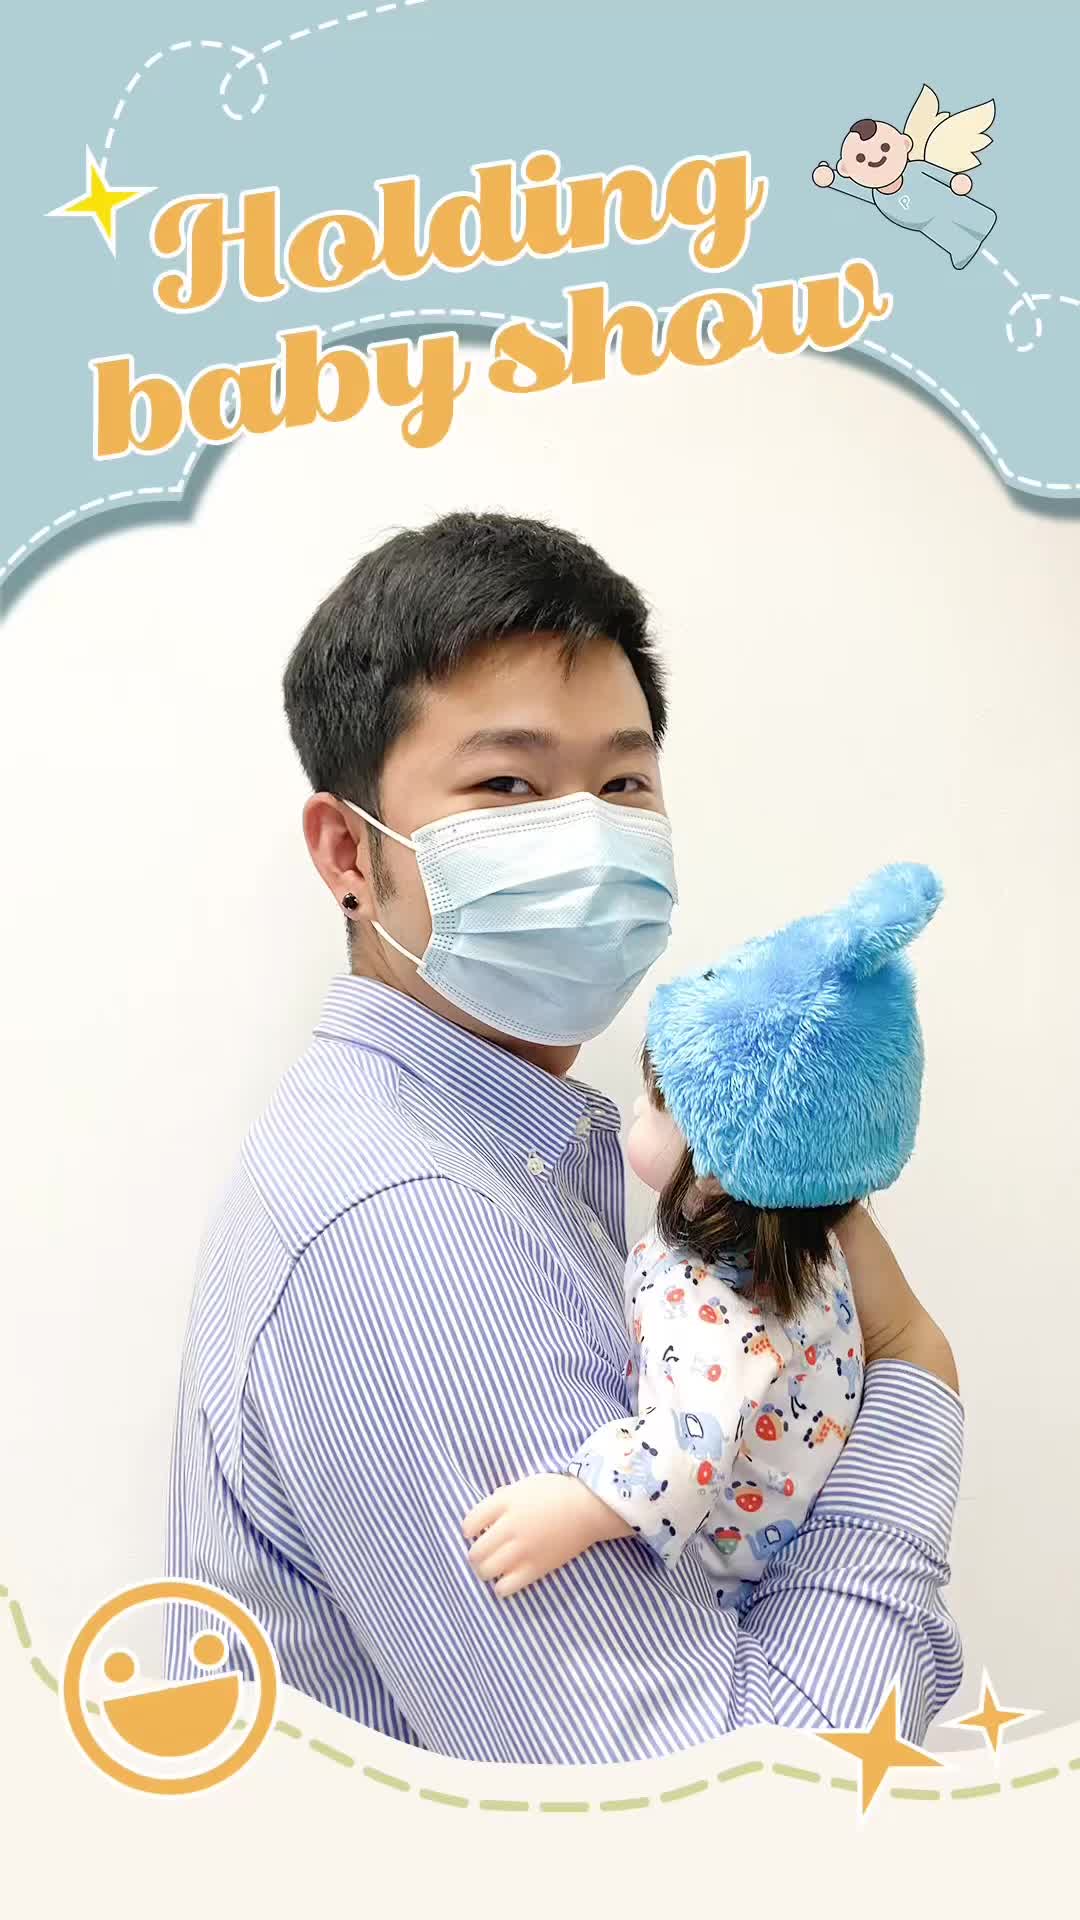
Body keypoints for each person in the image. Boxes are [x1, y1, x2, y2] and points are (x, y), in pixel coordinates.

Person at [165, 511, 962, 1764]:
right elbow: (736, 1822)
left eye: (624, 784)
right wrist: (913, 1374)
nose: (588, 839)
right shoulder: (411, 1230)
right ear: (348, 853)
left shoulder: (511, 1157)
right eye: (508, 786)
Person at [464, 862, 942, 1609]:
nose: (634, 1109)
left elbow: (693, 1442)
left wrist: (580, 1506)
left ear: (717, 1170)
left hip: (726, 1587)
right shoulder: (811, 1249)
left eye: (657, 1103)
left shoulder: (714, 1302)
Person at [812, 87, 997, 269]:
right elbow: (852, 188)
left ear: (905, 143)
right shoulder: (876, 195)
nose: (876, 158)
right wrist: (831, 179)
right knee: (944, 234)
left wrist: (954, 181)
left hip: (946, 203)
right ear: (845, 169)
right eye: (860, 158)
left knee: (965, 213)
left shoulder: (915, 170)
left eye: (885, 147)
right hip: (928, 224)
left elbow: (938, 173)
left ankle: (981, 221)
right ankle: (961, 248)